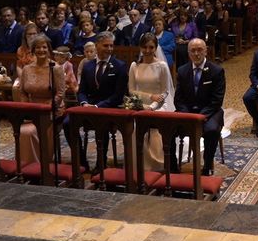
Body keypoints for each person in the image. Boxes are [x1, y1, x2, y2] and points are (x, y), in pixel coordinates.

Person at [70, 31, 128, 170]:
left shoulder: (119, 66)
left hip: (108, 107)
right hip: (88, 106)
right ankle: (81, 161)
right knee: (68, 123)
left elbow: (118, 95)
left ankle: (100, 164)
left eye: (111, 46)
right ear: (97, 45)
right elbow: (82, 90)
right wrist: (84, 103)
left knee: (101, 125)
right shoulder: (88, 66)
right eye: (105, 45)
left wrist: (97, 106)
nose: (109, 49)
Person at [174, 38, 225, 176]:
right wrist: (187, 115)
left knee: (212, 130)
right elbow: (178, 99)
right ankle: (172, 165)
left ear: (206, 51)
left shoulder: (217, 71)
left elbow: (217, 100)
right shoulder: (182, 71)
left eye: (200, 50)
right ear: (188, 53)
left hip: (210, 112)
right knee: (168, 127)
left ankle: (207, 165)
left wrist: (201, 116)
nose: (196, 54)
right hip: (188, 112)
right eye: (193, 51)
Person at [129, 33, 175, 171]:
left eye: (151, 47)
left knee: (155, 129)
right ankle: (139, 165)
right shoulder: (134, 66)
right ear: (140, 47)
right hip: (141, 104)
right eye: (144, 47)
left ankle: (158, 166)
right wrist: (148, 99)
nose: (147, 51)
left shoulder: (161, 66)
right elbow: (131, 90)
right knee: (136, 129)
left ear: (156, 48)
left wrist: (153, 106)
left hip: (160, 105)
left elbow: (166, 91)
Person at [19, 35, 66, 164]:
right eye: (38, 47)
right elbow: (22, 91)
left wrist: (49, 107)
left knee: (32, 132)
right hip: (32, 109)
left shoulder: (55, 68)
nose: (41, 50)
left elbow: (61, 92)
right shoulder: (27, 69)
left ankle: (43, 164)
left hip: (51, 110)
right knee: (24, 132)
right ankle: (28, 165)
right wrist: (26, 108)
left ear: (49, 49)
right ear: (33, 50)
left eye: (44, 47)